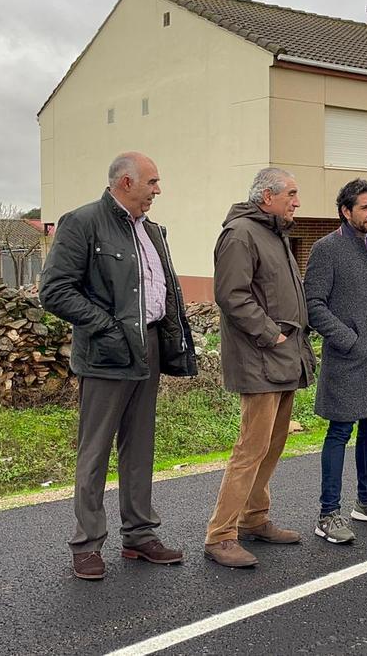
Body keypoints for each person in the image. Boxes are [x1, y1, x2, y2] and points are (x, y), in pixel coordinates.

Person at [40, 151, 197, 580]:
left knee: (139, 446)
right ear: (126, 183)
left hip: (147, 346)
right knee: (94, 451)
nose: (158, 190)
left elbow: (158, 290)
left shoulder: (152, 231)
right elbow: (54, 291)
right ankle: (87, 544)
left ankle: (139, 536)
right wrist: (106, 328)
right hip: (106, 351)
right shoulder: (83, 222)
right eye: (152, 182)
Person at [203, 167, 317, 568]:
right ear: (266, 197)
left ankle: (254, 518)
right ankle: (221, 535)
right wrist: (271, 335)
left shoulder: (273, 234)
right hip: (260, 357)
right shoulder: (241, 235)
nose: (297, 202)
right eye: (291, 193)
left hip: (284, 358)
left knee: (273, 444)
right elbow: (231, 296)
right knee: (250, 449)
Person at [304, 178, 367, 545]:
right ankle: (328, 514)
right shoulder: (326, 249)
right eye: (365, 207)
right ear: (346, 211)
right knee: (340, 432)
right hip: (347, 359)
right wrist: (350, 340)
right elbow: (313, 305)